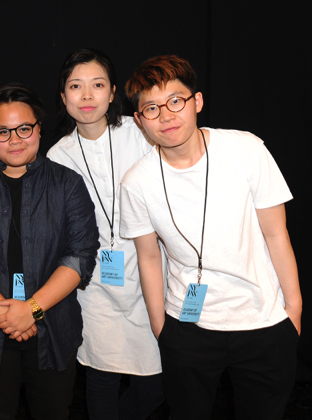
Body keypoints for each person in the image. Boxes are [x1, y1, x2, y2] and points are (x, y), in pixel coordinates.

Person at [120, 55, 301, 420]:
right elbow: (149, 256)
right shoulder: (136, 181)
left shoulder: (245, 149)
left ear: (197, 101)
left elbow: (276, 233)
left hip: (262, 321)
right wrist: (161, 327)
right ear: (139, 120)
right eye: (151, 108)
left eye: (176, 101)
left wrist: (293, 311)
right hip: (187, 328)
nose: (166, 115)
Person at [0, 83, 99, 420]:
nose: (14, 139)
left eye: (24, 128)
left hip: (53, 327)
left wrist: (32, 309)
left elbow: (81, 254)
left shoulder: (68, 184)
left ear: (39, 129)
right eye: (3, 131)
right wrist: (8, 313)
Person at [46, 48, 163, 420]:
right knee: (101, 375)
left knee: (156, 383)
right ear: (63, 97)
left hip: (150, 271)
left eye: (97, 85)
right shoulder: (57, 156)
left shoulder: (141, 133)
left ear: (113, 92)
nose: (86, 95)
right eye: (75, 86)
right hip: (95, 281)